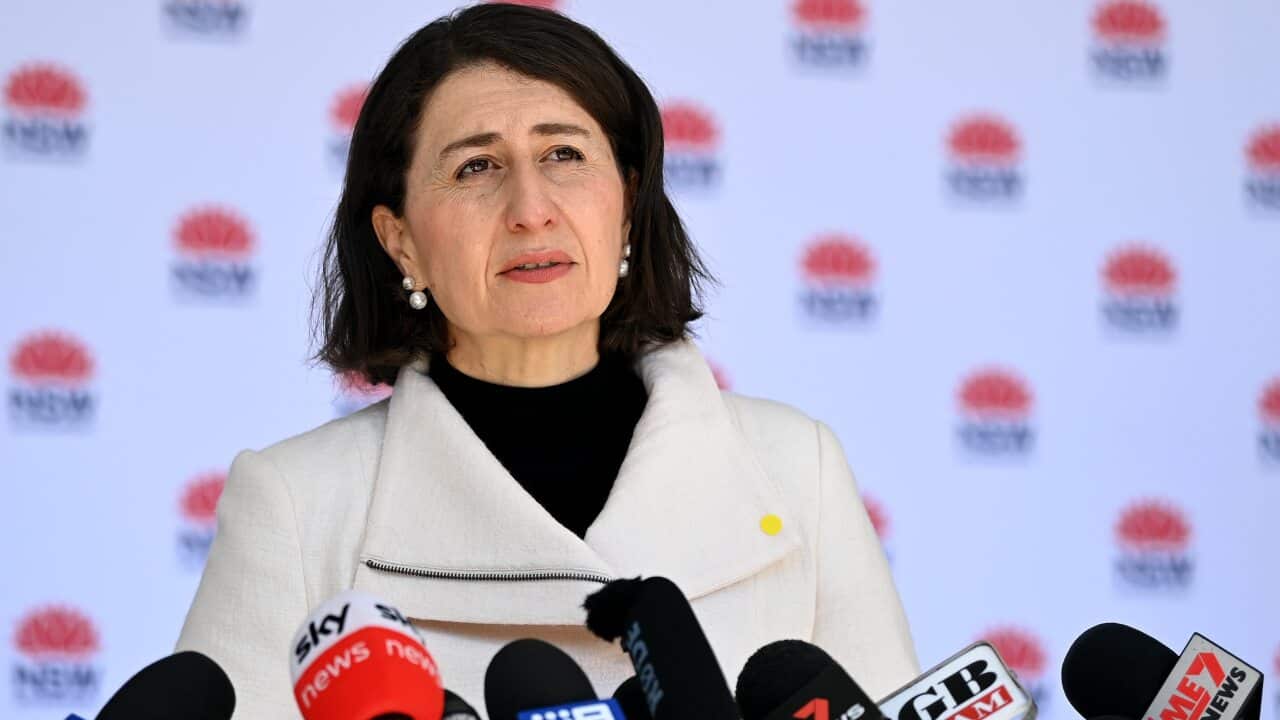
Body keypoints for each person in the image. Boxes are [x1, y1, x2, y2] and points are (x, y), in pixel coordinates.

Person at [176, 4, 917, 716]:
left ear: (627, 200)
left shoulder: (796, 466)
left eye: (564, 154)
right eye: (475, 167)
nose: (531, 208)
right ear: (400, 239)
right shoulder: (297, 504)